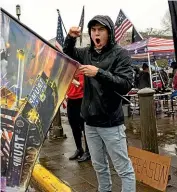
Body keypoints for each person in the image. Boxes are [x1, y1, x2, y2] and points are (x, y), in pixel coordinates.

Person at [63, 15, 136, 192]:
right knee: (99, 166)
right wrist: (71, 38)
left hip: (111, 123)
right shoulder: (86, 53)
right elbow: (68, 53)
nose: (96, 33)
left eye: (101, 30)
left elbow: (125, 84)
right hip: (90, 123)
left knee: (123, 170)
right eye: (93, 30)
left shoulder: (121, 54)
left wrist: (98, 73)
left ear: (109, 33)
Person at [67, 74, 91, 162]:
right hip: (70, 99)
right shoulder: (69, 68)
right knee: (74, 126)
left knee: (84, 126)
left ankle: (88, 152)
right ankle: (79, 149)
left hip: (81, 99)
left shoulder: (82, 68)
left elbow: (87, 84)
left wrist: (77, 82)